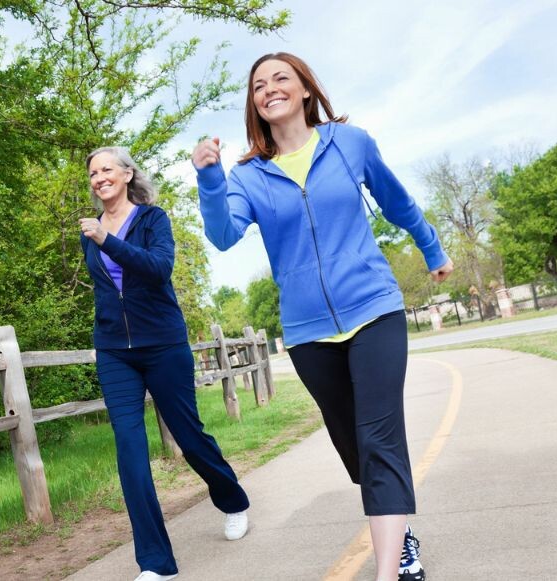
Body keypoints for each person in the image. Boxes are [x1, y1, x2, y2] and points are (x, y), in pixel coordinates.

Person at [192, 52, 452, 581]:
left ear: (306, 89)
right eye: (259, 85)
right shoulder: (248, 175)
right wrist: (211, 180)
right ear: (254, 104)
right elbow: (222, 237)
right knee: (352, 443)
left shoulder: (350, 143)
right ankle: (399, 529)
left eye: (280, 78)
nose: (269, 89)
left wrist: (433, 249)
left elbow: (397, 202)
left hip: (374, 308)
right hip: (310, 330)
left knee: (380, 439)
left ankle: (391, 568)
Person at [79, 146, 250, 581]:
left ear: (126, 173)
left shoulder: (153, 219)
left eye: (106, 169)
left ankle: (232, 500)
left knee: (190, 436)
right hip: (116, 353)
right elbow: (104, 291)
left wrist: (107, 241)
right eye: (92, 173)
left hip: (163, 345)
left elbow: (158, 269)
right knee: (130, 450)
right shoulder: (90, 230)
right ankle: (156, 562)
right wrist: (103, 335)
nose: (98, 177)